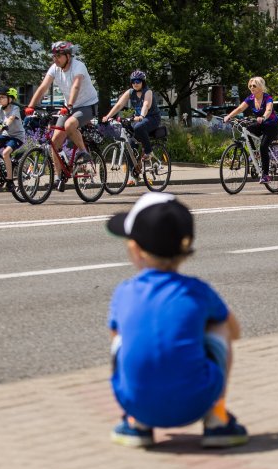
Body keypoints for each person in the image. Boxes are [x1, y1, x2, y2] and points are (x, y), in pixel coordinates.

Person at [106, 192, 248, 449]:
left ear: (135, 250)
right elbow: (234, 331)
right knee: (219, 325)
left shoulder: (124, 292)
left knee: (121, 338)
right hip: (196, 402)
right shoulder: (197, 291)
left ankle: (136, 424)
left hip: (135, 401)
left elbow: (119, 349)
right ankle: (217, 420)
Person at [25, 41, 98, 184]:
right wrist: (31, 106)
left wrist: (69, 105)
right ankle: (60, 177)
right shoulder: (54, 68)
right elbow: (43, 87)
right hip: (69, 106)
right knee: (54, 142)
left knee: (70, 124)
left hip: (87, 105)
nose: (55, 59)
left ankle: (84, 152)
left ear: (68, 56)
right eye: (54, 56)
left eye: (59, 56)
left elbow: (76, 86)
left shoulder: (78, 66)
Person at [224, 76, 278, 184]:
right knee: (247, 129)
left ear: (260, 87)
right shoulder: (250, 98)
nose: (251, 88)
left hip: (271, 125)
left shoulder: (267, 98)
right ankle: (255, 153)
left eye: (254, 86)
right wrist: (229, 116)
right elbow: (240, 108)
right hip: (260, 124)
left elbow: (268, 109)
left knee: (263, 146)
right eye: (250, 86)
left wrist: (263, 117)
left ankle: (265, 175)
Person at [102, 70, 163, 163]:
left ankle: (148, 151)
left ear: (143, 82)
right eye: (133, 81)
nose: (135, 83)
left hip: (152, 118)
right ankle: (133, 173)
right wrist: (108, 116)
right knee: (129, 145)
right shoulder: (130, 92)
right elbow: (119, 105)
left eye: (138, 81)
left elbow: (146, 105)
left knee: (139, 127)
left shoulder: (148, 92)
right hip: (139, 119)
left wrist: (142, 115)